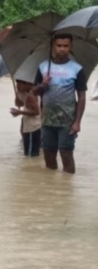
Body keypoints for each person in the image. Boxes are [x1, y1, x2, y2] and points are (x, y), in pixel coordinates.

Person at [33, 33, 87, 174]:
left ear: (70, 47)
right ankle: (52, 189)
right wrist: (42, 85)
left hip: (67, 120)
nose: (62, 49)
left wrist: (77, 122)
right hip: (47, 119)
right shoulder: (43, 67)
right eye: (59, 45)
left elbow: (81, 97)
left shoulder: (77, 69)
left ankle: (67, 188)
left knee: (66, 154)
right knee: (48, 155)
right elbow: (34, 92)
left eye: (65, 46)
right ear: (52, 47)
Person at [10, 80, 41, 157]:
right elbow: (19, 103)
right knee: (29, 154)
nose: (18, 86)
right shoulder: (28, 93)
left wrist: (20, 112)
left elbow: (36, 112)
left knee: (30, 156)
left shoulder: (31, 95)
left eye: (19, 84)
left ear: (26, 84)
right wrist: (17, 95)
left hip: (32, 128)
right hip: (31, 127)